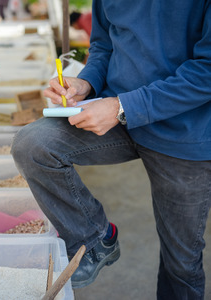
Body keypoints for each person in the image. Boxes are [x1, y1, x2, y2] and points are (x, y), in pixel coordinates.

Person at [11, 0, 210, 299]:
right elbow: (104, 45)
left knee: (181, 264)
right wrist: (86, 83)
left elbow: (206, 71)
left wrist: (123, 106)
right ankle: (95, 237)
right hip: (115, 114)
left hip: (183, 130)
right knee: (32, 145)